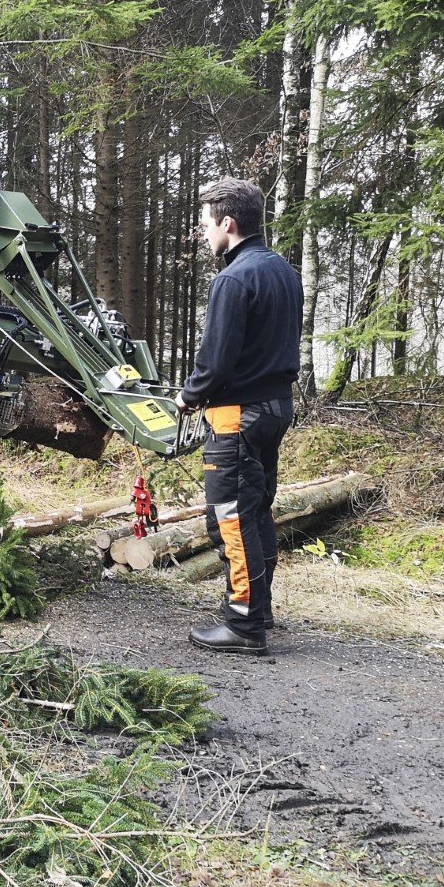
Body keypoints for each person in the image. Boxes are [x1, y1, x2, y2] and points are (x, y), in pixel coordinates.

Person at [174, 178, 302, 655]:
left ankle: (244, 625)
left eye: (206, 224)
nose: (203, 233)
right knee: (255, 508)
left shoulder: (232, 278)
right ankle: (260, 608)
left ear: (228, 223)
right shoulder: (284, 272)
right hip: (275, 408)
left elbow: (216, 361)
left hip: (237, 415)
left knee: (230, 516)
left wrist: (189, 396)